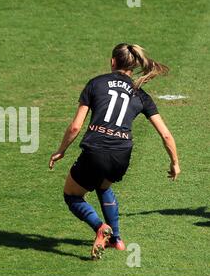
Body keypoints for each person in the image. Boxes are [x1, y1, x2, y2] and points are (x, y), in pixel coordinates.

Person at [49, 43, 180, 260]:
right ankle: (117, 239)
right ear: (133, 65)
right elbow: (166, 134)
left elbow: (75, 127)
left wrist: (61, 150)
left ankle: (100, 227)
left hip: (95, 151)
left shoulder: (95, 84)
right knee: (103, 185)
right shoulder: (141, 94)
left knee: (72, 195)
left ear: (112, 62)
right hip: (121, 155)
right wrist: (175, 162)